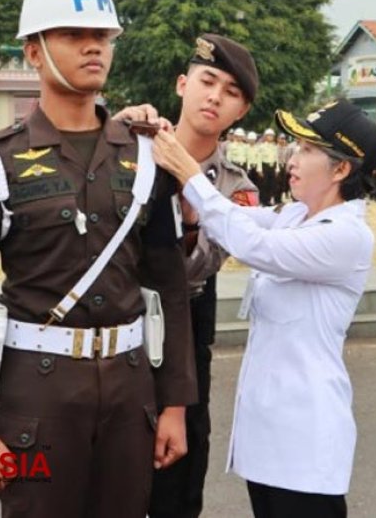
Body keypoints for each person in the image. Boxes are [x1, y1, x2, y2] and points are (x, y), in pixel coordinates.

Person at [0, 0, 196, 518]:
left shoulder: (145, 153)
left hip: (131, 394)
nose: (93, 48)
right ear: (33, 52)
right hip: (38, 397)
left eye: (102, 37)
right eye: (73, 35)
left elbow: (169, 287)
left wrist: (174, 403)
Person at [153, 100, 376, 518]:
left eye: (308, 150)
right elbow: (237, 218)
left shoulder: (347, 235)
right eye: (296, 146)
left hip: (306, 438)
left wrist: (189, 173)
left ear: (341, 170)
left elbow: (251, 243)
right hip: (271, 435)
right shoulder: (296, 215)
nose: (294, 159)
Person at [120, 34, 260, 518]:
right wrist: (111, 127)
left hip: (186, 322)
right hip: (116, 316)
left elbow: (196, 269)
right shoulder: (129, 147)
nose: (215, 96)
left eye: (231, 92)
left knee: (179, 472)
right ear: (182, 84)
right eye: (207, 81)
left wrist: (192, 201)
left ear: (240, 112)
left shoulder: (237, 189)